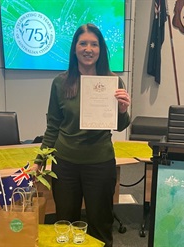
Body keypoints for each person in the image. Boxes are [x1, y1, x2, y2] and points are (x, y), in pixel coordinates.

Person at [32, 23, 131, 247]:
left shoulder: (113, 82)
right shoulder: (60, 82)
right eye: (83, 43)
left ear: (101, 49)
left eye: (94, 44)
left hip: (100, 163)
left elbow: (121, 126)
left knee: (100, 225)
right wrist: (39, 161)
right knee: (65, 225)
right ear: (75, 48)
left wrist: (123, 110)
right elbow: (53, 126)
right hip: (65, 165)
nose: (88, 48)